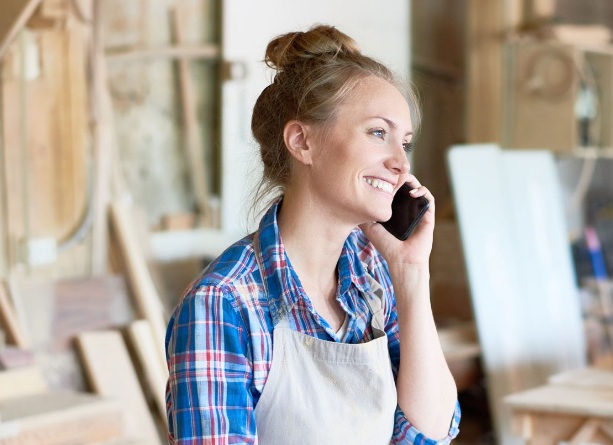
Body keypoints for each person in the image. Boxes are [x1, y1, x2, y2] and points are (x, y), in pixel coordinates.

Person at [165, 24, 460, 444]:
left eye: (405, 143)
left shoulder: (373, 278)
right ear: (302, 141)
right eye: (379, 133)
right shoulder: (224, 304)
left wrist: (411, 272)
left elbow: (430, 434)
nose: (400, 163)